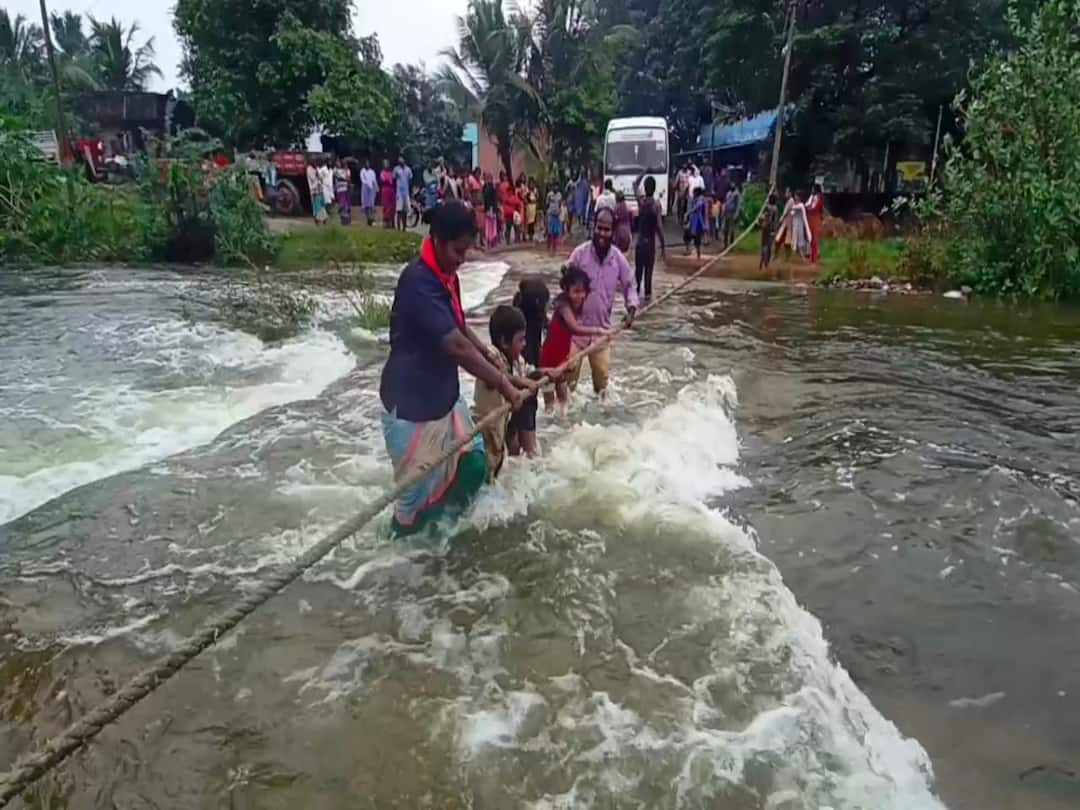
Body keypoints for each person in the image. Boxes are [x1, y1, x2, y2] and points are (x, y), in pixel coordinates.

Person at [379, 202, 533, 535]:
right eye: (458, 251)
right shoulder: (418, 282)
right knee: (410, 510)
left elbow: (459, 328)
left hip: (444, 398)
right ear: (436, 240)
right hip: (411, 410)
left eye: (467, 250)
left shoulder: (448, 278)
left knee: (474, 464)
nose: (462, 258)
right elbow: (455, 346)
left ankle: (444, 535)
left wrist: (493, 360)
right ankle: (399, 557)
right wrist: (503, 384)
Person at [564, 207, 638, 399]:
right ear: (593, 227)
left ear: (613, 231)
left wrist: (631, 309)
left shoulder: (618, 259)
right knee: (567, 385)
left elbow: (630, 285)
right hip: (576, 332)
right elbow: (564, 280)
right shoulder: (580, 254)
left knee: (602, 389)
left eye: (607, 229)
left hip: (601, 334)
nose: (602, 234)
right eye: (599, 228)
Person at [474, 305, 540, 480]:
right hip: (486, 436)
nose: (524, 344)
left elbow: (528, 375)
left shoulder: (516, 361)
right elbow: (497, 375)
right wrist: (519, 381)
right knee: (488, 475)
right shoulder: (492, 357)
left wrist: (548, 373)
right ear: (504, 342)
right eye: (521, 340)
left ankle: (527, 454)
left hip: (501, 431)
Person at [540, 266, 612, 414]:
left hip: (563, 357)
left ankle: (564, 423)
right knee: (549, 403)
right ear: (566, 290)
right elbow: (575, 328)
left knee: (564, 400)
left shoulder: (576, 303)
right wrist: (599, 331)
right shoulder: (563, 305)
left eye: (583, 291)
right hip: (549, 359)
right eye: (576, 291)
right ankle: (549, 423)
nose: (580, 296)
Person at [632, 174, 666, 300]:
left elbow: (635, 184)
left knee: (638, 274)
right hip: (650, 244)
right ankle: (647, 301)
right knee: (648, 275)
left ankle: (634, 300)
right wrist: (663, 246)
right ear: (654, 188)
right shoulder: (656, 205)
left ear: (645, 188)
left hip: (639, 243)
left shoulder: (641, 202)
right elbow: (660, 227)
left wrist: (644, 172)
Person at [775, 188, 796, 260]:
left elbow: (785, 212)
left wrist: (780, 220)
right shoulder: (789, 201)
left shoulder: (791, 201)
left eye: (787, 192)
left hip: (787, 224)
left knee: (783, 241)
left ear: (790, 193)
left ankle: (784, 257)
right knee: (781, 240)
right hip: (786, 224)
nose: (785, 194)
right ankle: (780, 256)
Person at [760, 192, 779, 270]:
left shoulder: (766, 207)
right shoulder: (775, 208)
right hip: (771, 229)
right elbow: (775, 220)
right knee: (769, 246)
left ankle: (762, 262)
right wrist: (775, 229)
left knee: (764, 245)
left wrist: (762, 223)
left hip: (765, 228)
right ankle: (766, 263)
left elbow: (762, 217)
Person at [806, 183, 825, 264]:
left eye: (813, 189)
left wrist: (808, 209)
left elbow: (815, 208)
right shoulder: (813, 197)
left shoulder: (819, 198)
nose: (812, 190)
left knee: (814, 239)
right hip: (812, 219)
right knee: (811, 239)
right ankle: (812, 257)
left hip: (815, 219)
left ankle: (814, 258)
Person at [393, 156, 413, 231]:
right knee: (399, 210)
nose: (400, 161)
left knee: (405, 211)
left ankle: (404, 227)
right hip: (399, 193)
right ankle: (398, 227)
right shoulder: (396, 169)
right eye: (399, 160)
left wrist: (410, 191)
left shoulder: (408, 169)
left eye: (402, 159)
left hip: (406, 192)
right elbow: (394, 179)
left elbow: (410, 180)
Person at [687, 186, 708, 258]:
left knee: (697, 237)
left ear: (697, 193)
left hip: (699, 222)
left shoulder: (701, 199)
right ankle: (695, 250)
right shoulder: (697, 199)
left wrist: (689, 212)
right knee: (693, 236)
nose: (693, 194)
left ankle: (698, 252)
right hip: (696, 221)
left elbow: (698, 206)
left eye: (694, 193)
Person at [722, 183, 743, 248]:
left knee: (732, 230)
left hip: (732, 213)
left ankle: (731, 245)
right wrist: (723, 212)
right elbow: (726, 202)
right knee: (725, 229)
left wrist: (736, 214)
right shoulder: (728, 193)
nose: (731, 185)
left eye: (733, 184)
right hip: (727, 213)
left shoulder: (737, 194)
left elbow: (738, 205)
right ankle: (725, 245)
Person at [307, 158, 326, 225]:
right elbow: (314, 178)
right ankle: (318, 220)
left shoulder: (316, 168)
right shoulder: (309, 169)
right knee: (317, 206)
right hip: (314, 190)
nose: (316, 164)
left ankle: (323, 218)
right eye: (314, 162)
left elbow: (320, 177)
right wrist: (318, 175)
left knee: (322, 204)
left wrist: (319, 176)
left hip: (319, 189)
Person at [546, 183, 563, 255]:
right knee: (550, 232)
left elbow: (560, 204)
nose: (555, 187)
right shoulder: (549, 195)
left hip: (557, 215)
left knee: (556, 232)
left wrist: (560, 212)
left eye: (557, 186)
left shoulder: (559, 195)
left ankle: (554, 248)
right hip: (550, 214)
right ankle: (549, 246)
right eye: (554, 186)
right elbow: (547, 204)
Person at [482, 173, 499, 248]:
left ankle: (493, 239)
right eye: (487, 178)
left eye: (489, 178)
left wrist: (493, 208)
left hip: (492, 208)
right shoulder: (484, 187)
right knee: (488, 224)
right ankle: (488, 239)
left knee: (493, 224)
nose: (488, 180)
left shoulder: (493, 188)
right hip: (487, 208)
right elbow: (484, 198)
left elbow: (494, 199)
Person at [571, 172, 590, 237]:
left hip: (583, 198)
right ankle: (580, 222)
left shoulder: (585, 182)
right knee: (579, 211)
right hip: (579, 198)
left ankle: (582, 222)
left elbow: (588, 191)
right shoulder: (578, 182)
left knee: (583, 210)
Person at [360, 160, 378, 226]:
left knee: (371, 204)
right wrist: (367, 185)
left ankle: (372, 219)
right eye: (366, 163)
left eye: (368, 163)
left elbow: (374, 180)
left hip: (371, 188)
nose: (367, 165)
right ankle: (368, 219)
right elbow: (363, 179)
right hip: (365, 188)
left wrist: (376, 187)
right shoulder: (362, 171)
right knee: (366, 205)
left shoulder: (372, 172)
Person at [334, 159, 352, 226]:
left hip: (346, 188)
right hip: (340, 189)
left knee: (346, 204)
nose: (345, 165)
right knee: (342, 204)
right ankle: (342, 219)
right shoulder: (338, 170)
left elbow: (348, 178)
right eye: (344, 164)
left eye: (346, 164)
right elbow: (339, 178)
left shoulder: (348, 170)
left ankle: (346, 220)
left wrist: (346, 174)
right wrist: (345, 178)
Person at [380, 159, 396, 228]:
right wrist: (389, 180)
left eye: (387, 163)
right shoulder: (382, 172)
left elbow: (393, 180)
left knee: (392, 206)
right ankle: (385, 223)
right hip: (385, 189)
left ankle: (391, 222)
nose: (387, 165)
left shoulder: (391, 173)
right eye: (385, 164)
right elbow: (383, 180)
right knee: (386, 206)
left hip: (391, 190)